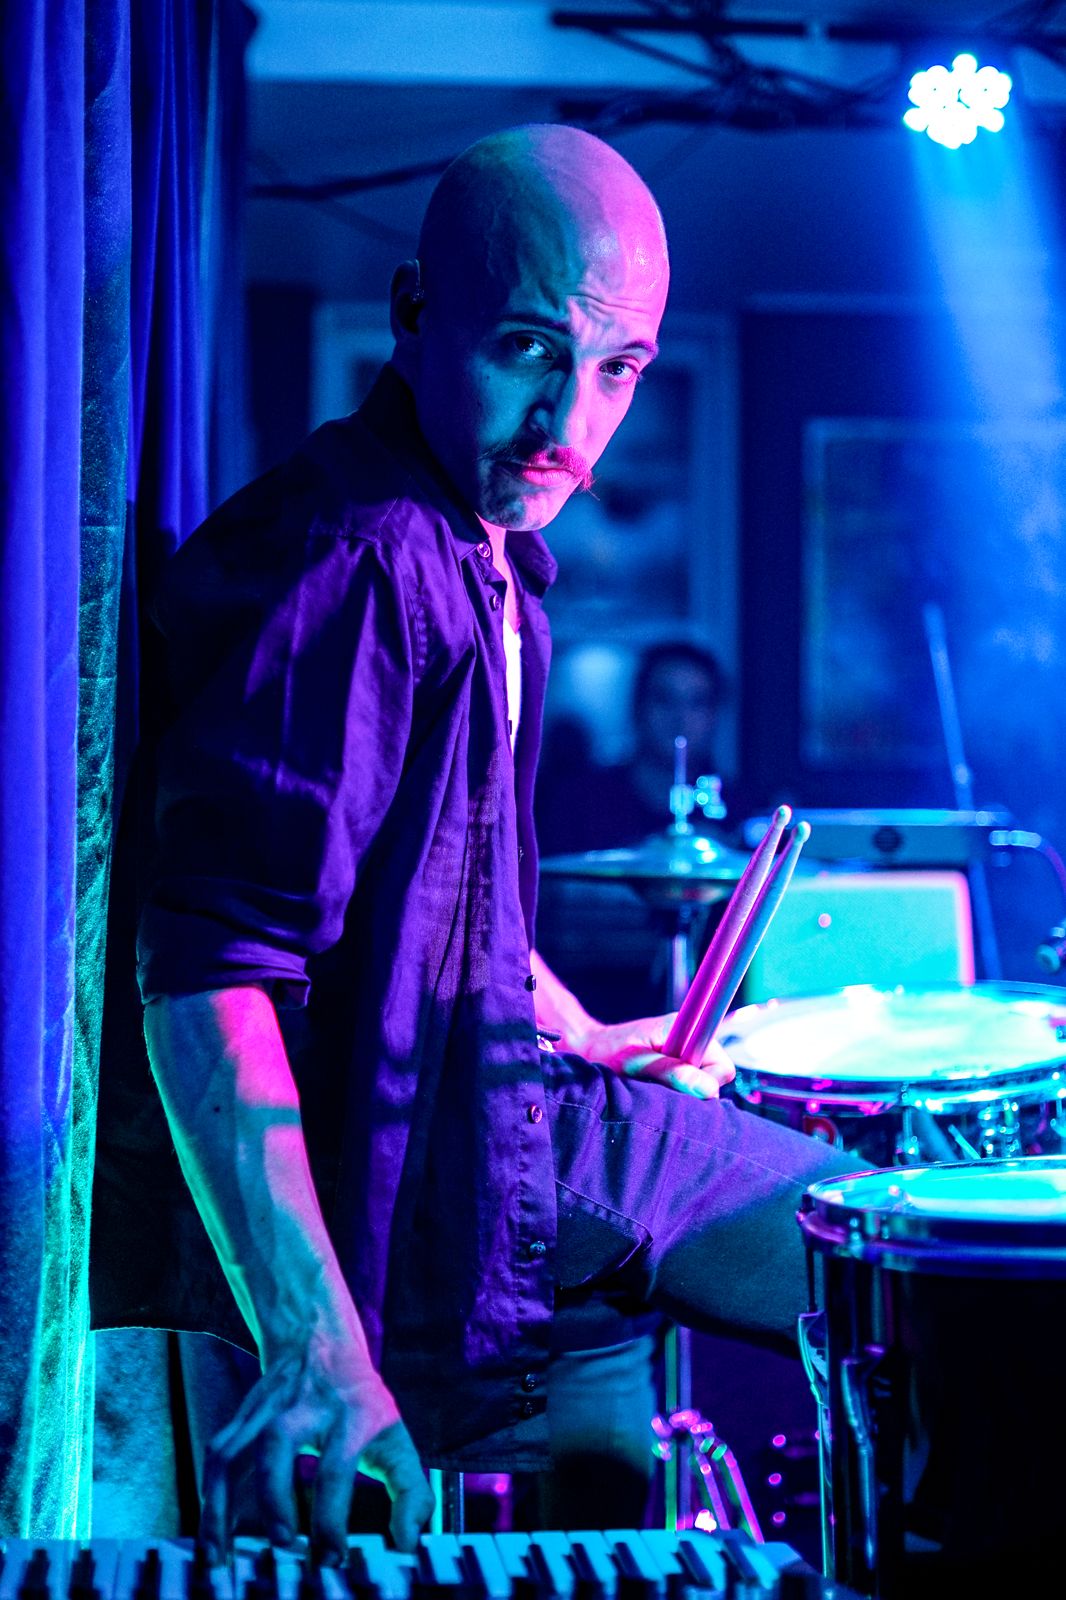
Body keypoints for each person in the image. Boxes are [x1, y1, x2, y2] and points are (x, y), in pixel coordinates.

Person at [125, 123, 852, 1560]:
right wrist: (313, 1345)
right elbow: (207, 966)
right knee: (901, 1262)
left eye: (617, 369)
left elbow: (457, 901)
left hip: (505, 1101)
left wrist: (577, 1028)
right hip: (432, 1149)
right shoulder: (364, 559)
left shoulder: (490, 555)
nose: (568, 422)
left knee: (614, 1453)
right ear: (413, 314)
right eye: (529, 348)